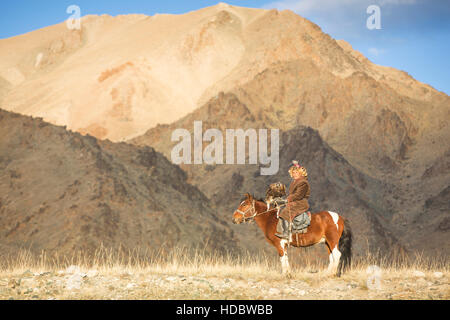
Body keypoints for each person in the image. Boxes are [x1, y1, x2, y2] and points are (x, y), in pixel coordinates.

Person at [275, 161, 311, 239]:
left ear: (301, 173)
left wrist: (288, 199)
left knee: (284, 212)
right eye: (293, 172)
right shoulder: (296, 182)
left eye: (296, 173)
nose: (294, 174)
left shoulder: (303, 183)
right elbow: (293, 195)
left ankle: (287, 233)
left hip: (300, 203)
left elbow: (298, 195)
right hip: (295, 201)